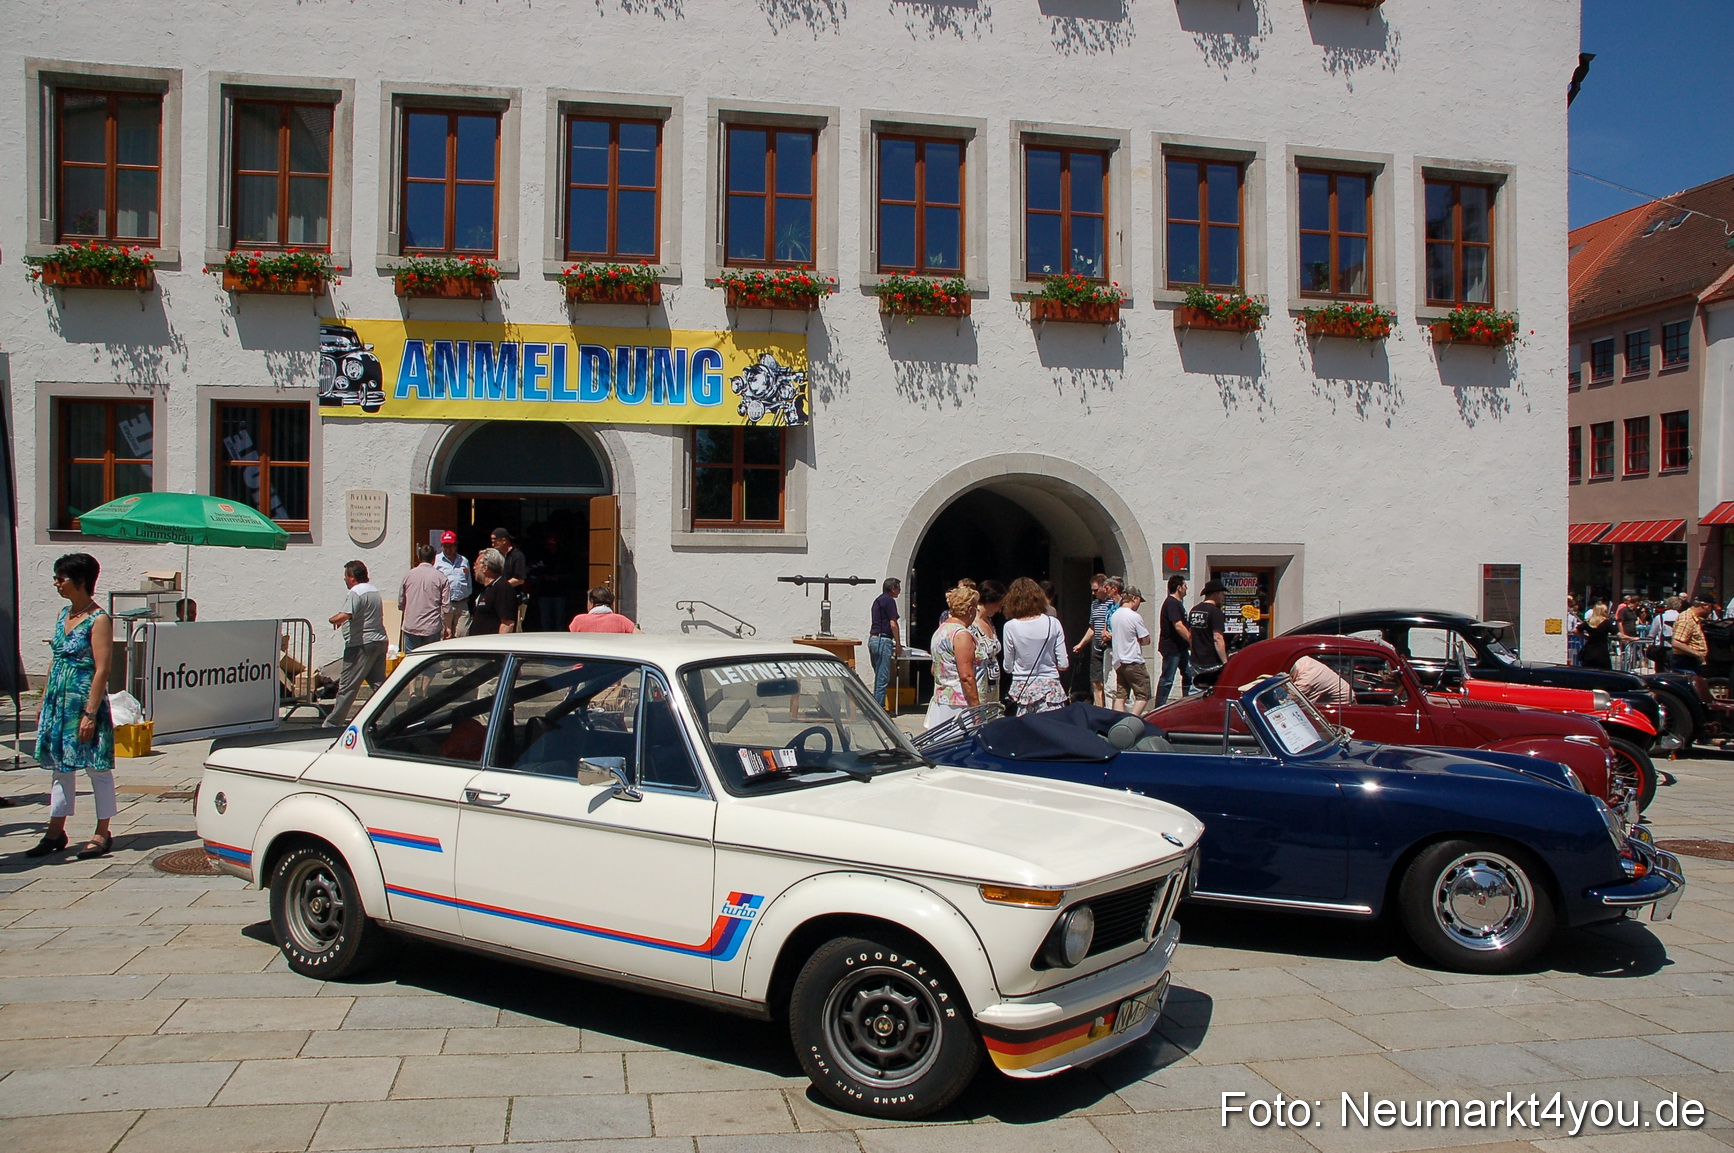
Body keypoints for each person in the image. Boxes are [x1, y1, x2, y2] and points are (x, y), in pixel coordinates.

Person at [26, 553, 117, 859]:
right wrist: (43, 702)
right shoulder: (63, 614)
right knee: (59, 767)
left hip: (83, 702)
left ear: (80, 582)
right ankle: (55, 830)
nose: (56, 584)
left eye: (61, 578)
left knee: (96, 767)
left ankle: (102, 832)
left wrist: (90, 713)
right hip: (58, 702)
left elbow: (102, 668)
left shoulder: (99, 618)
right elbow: (56, 660)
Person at [326, 560, 388, 728]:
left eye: (346, 576)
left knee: (347, 686)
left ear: (352, 576)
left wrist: (332, 619)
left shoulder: (356, 592)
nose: (344, 579)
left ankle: (332, 724)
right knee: (380, 686)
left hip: (361, 644)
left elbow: (345, 614)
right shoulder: (374, 591)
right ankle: (389, 720)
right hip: (379, 640)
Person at [1001, 577, 1068, 715]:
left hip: (1021, 689)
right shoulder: (1053, 623)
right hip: (1050, 689)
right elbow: (1063, 664)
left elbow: (1008, 667)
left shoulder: (1010, 626)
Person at [924, 585, 981, 729]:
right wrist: (976, 709)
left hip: (942, 699)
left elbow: (934, 669)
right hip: (959, 704)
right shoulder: (961, 634)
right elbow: (966, 676)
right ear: (970, 610)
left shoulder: (940, 631)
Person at [1108, 586, 1152, 713]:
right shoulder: (1134, 616)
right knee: (1143, 694)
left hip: (1118, 661)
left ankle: (1118, 720)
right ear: (1134, 598)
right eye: (1139, 601)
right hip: (1133, 659)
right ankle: (1133, 720)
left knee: (1121, 695)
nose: (1139, 604)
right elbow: (1146, 639)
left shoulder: (1115, 616)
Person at [399, 544, 451, 651]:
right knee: (431, 661)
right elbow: (446, 606)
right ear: (434, 559)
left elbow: (401, 602)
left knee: (411, 660)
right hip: (431, 627)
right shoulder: (441, 577)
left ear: (419, 558)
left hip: (411, 625)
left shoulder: (408, 576)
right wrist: (447, 626)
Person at [1071, 574, 1111, 706]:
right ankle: (1099, 708)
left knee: (1110, 683)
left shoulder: (1113, 603)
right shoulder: (1094, 604)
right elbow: (1092, 627)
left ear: (1104, 588)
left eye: (1095, 590)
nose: (1093, 593)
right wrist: (1081, 644)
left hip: (1110, 647)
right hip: (1097, 646)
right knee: (1096, 681)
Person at [1155, 575, 1193, 705]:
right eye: (1184, 585)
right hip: (1172, 648)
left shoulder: (1178, 603)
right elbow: (1177, 625)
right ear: (1179, 587)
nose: (1186, 588)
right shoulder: (1171, 603)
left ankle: (1187, 702)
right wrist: (1190, 640)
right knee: (1167, 678)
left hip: (1180, 647)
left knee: (1188, 674)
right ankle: (1158, 707)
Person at [867, 577, 902, 709]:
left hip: (873, 639)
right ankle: (879, 709)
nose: (899, 591)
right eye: (898, 588)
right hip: (883, 640)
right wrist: (898, 643)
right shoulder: (889, 601)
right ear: (892, 589)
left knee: (878, 676)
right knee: (882, 678)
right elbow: (893, 623)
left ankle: (874, 706)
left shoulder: (878, 600)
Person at [973, 579, 1006, 704]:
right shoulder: (971, 623)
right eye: (999, 604)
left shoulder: (989, 621)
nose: (999, 610)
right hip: (979, 685)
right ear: (989, 601)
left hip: (993, 686)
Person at [434, 531, 472, 638]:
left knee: (462, 635)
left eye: (450, 546)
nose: (448, 549)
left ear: (455, 546)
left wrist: (467, 594)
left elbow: (468, 581)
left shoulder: (464, 561)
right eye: (445, 546)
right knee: (444, 636)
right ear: (441, 546)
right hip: (445, 604)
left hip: (462, 604)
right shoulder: (436, 561)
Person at [469, 549, 515, 636]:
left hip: (491, 646)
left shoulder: (502, 588)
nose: (474, 568)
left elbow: (507, 623)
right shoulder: (487, 589)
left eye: (476, 564)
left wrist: (498, 647)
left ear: (485, 568)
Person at [490, 527, 529, 629]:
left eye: (495, 542)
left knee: (515, 628)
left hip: (515, 600)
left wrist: (499, 587)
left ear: (504, 540)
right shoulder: (497, 557)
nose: (492, 545)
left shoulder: (517, 556)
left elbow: (520, 579)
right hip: (500, 600)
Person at [1188, 580, 1229, 676]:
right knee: (1213, 689)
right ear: (1215, 594)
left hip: (1195, 660)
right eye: (1222, 593)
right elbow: (1217, 638)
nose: (1223, 597)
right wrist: (1225, 662)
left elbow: (1191, 635)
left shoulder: (1194, 610)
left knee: (1196, 688)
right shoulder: (1215, 612)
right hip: (1211, 661)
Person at [568, 586, 637, 633]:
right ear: (611, 603)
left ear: (591, 603)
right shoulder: (621, 620)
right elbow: (640, 636)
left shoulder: (579, 620)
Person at [1672, 596, 1712, 672]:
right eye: (1711, 608)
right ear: (1705, 606)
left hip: (1691, 661)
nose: (1711, 611)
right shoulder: (1686, 619)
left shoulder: (1695, 619)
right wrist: (1698, 654)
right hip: (1685, 662)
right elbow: (1676, 643)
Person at [1579, 601, 1614, 669]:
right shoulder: (1606, 622)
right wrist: (1631, 638)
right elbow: (1618, 633)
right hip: (1602, 653)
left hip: (1589, 652)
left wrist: (1585, 637)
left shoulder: (1588, 622)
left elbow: (1575, 630)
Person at [1615, 594, 1643, 672]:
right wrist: (1622, 634)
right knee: (1627, 655)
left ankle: (1629, 670)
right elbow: (1620, 622)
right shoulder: (1624, 610)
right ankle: (1624, 671)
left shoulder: (1633, 611)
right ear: (1636, 602)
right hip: (1626, 635)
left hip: (1633, 635)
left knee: (1632, 656)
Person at [1565, 595, 1585, 666]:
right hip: (1564, 636)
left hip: (1570, 637)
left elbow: (1575, 627)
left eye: (1569, 602)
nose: (1568, 604)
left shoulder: (1572, 616)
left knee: (1571, 657)